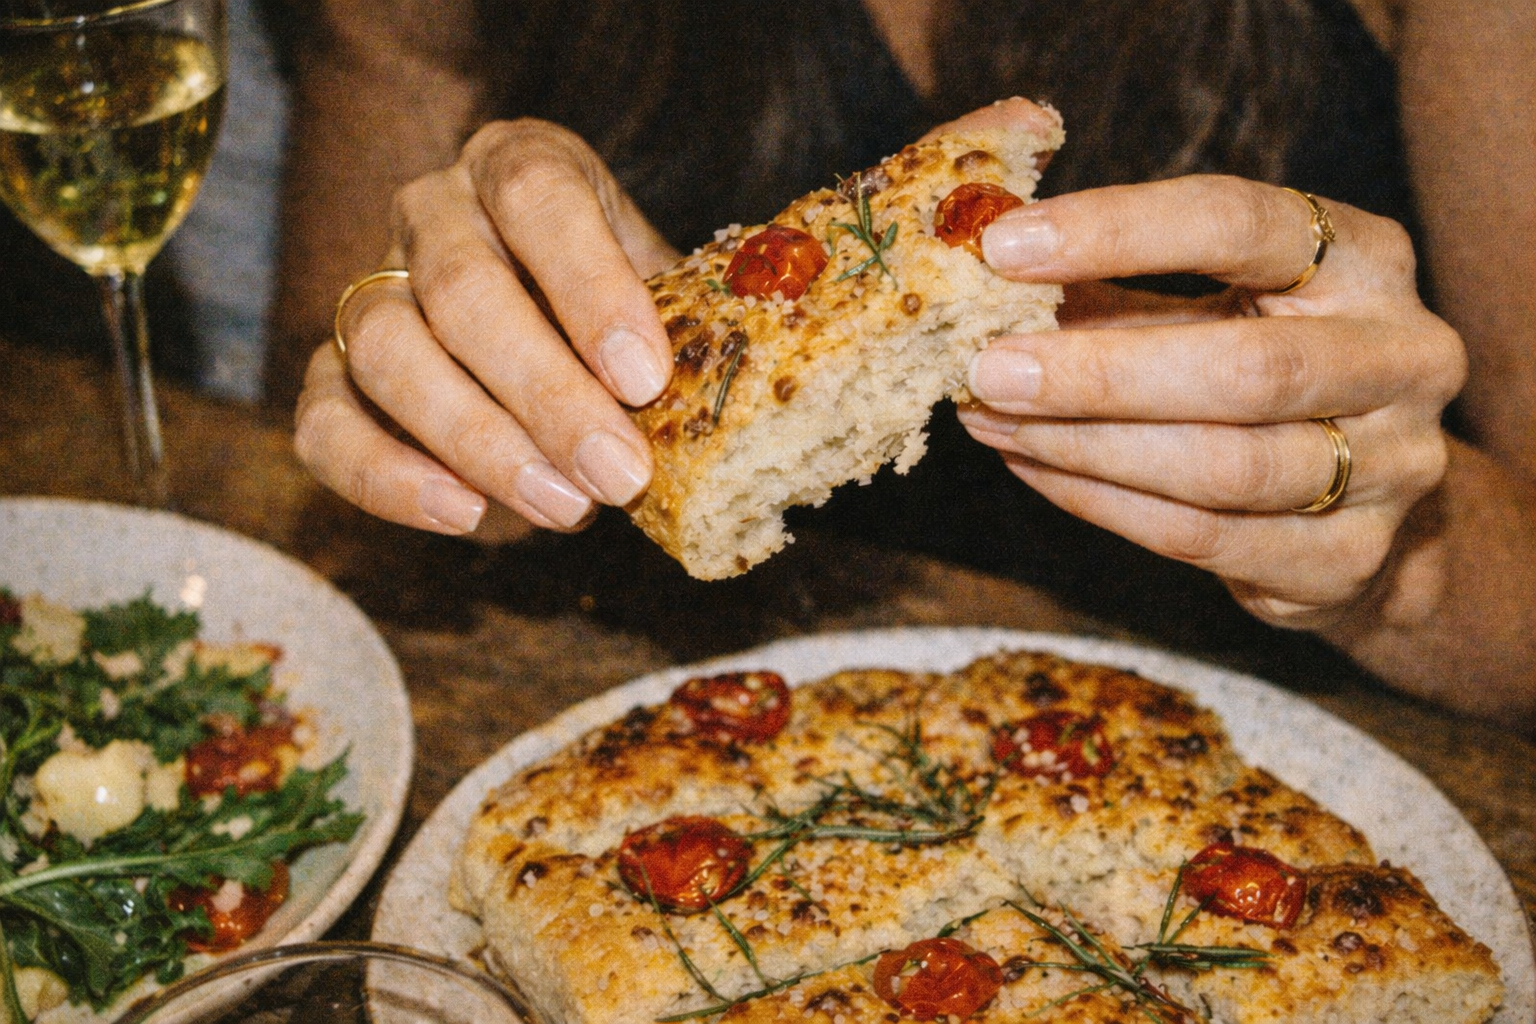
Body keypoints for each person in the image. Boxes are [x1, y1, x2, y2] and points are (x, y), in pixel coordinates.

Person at [269, 0, 1535, 731]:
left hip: (1313, 741)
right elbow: (309, 383)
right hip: (685, 711)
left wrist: (1408, 562)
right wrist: (459, 395)